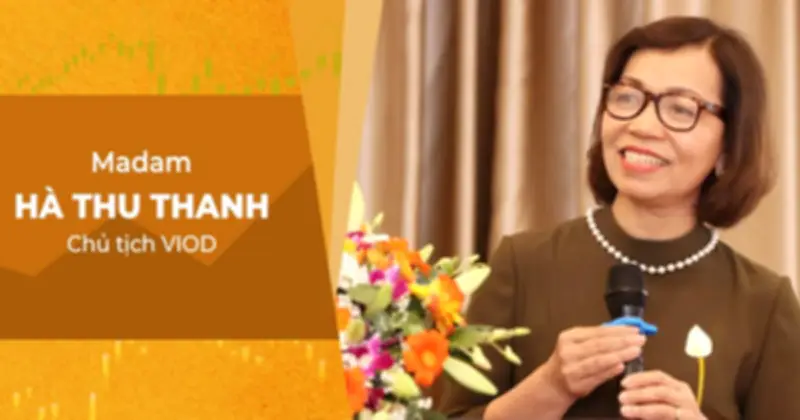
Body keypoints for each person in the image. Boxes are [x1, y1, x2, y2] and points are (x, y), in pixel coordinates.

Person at [436, 16, 800, 420]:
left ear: (730, 145)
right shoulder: (522, 264)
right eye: (628, 98)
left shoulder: (764, 303)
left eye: (681, 109)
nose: (641, 126)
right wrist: (550, 387)